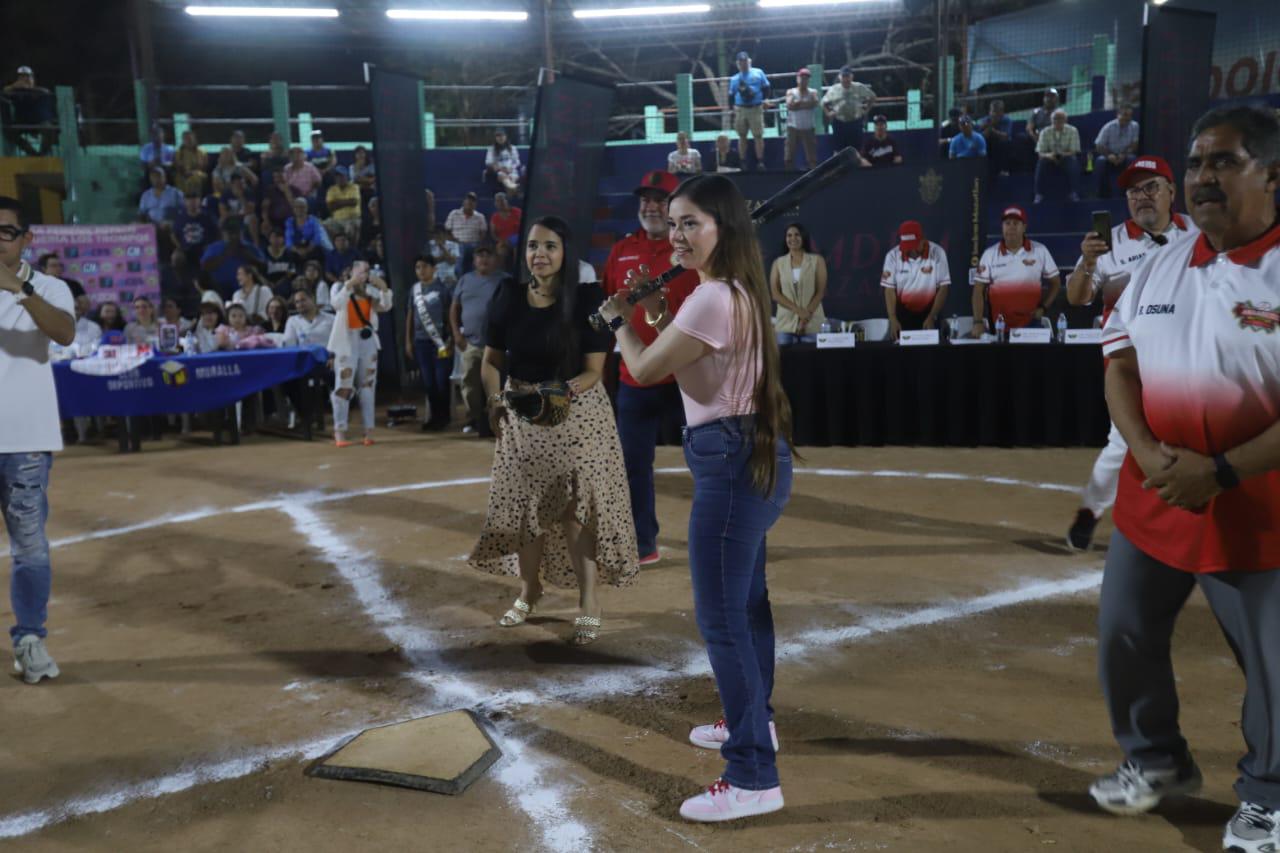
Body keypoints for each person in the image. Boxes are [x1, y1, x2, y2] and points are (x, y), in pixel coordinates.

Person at [1090, 105, 1280, 852]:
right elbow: (1120, 365)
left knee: (1271, 666)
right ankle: (1157, 758)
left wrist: (1224, 469)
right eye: (1196, 162)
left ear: (1272, 175)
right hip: (1161, 495)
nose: (1201, 176)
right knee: (1124, 635)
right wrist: (1142, 449)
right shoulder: (1160, 265)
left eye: (1222, 162)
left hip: (1262, 505)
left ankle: (1267, 797)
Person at [596, 174, 795, 823]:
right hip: (751, 455)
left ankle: (752, 775)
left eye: (690, 224)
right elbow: (700, 368)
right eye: (673, 223)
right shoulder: (732, 290)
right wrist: (654, 317)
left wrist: (617, 322)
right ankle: (755, 725)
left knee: (721, 619)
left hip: (730, 465)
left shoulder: (710, 297)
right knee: (747, 606)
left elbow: (646, 369)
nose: (677, 234)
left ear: (722, 229)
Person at [470, 215, 637, 645]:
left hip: (576, 413)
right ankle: (530, 591)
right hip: (521, 413)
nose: (538, 255)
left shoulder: (585, 299)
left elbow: (594, 371)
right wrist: (494, 399)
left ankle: (589, 600)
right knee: (526, 504)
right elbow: (491, 361)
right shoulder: (507, 294)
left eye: (549, 246)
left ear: (565, 254)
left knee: (575, 506)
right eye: (532, 246)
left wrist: (556, 393)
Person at [1063, 156, 1198, 551]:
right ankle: (1091, 509)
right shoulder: (1109, 244)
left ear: (1172, 191)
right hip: (1131, 362)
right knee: (1124, 441)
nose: (1142, 197)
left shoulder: (1196, 232)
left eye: (1151, 187)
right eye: (1133, 191)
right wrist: (1088, 263)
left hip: (1189, 357)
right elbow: (1077, 297)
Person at [602, 169, 703, 565]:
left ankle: (720, 538)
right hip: (636, 376)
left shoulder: (691, 252)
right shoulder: (621, 250)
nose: (651, 206)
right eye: (646, 199)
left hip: (686, 376)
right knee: (632, 466)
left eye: (659, 200)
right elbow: (612, 304)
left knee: (708, 460)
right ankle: (643, 543)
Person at [0, 195, 75, 684]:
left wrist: (18, 288)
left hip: (24, 440)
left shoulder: (48, 286)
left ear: (27, 238)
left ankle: (30, 638)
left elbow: (64, 332)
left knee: (29, 547)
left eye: (6, 231)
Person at [328, 260, 392, 447]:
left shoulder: (370, 292)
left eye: (366, 271)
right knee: (344, 386)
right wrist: (350, 284)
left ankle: (368, 431)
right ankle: (340, 431)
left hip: (367, 342)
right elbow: (336, 304)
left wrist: (384, 288)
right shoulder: (339, 288)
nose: (363, 274)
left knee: (367, 386)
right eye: (360, 270)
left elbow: (385, 307)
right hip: (346, 343)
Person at [971, 206, 1060, 335]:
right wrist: (978, 322)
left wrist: (1043, 308)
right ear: (1002, 227)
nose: (1011, 227)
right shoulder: (989, 254)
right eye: (1007, 223)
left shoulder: (1040, 250)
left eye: (1016, 223)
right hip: (999, 326)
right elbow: (978, 290)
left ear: (1024, 227)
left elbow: (1056, 282)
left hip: (1031, 325)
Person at [449, 242, 508, 436]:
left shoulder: (505, 281)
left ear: (495, 259)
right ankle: (475, 418)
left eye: (488, 255)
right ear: (474, 260)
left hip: (497, 345)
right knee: (470, 386)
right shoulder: (465, 280)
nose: (484, 259)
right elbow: (454, 309)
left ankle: (498, 420)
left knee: (498, 386)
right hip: (471, 344)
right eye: (479, 255)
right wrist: (457, 334)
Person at [405, 254, 453, 431]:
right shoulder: (414, 290)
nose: (421, 270)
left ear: (434, 268)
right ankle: (435, 417)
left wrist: (452, 339)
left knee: (441, 381)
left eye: (425, 266)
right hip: (421, 342)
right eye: (418, 267)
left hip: (440, 342)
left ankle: (444, 416)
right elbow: (410, 316)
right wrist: (408, 342)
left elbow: (449, 315)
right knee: (429, 382)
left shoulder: (443, 289)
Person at [881, 220, 951, 340]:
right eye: (907, 246)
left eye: (913, 245)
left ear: (922, 239)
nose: (911, 250)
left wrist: (932, 316)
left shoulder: (938, 252)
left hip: (931, 312)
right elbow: (889, 290)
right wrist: (893, 319)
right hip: (903, 313)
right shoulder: (892, 256)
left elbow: (943, 288)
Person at [769, 223, 827, 345]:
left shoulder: (817, 260)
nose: (793, 238)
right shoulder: (778, 263)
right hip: (785, 324)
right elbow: (775, 294)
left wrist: (804, 318)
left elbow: (820, 292)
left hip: (812, 323)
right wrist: (798, 311)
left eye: (797, 235)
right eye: (789, 235)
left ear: (803, 237)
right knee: (785, 363)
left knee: (812, 363)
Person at [200, 218, 266, 300]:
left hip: (245, 289)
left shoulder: (249, 247)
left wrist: (249, 257)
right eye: (230, 232)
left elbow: (264, 267)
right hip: (220, 288)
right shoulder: (215, 247)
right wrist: (225, 254)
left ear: (241, 232)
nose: (233, 236)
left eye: (236, 232)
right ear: (223, 233)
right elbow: (204, 267)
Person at [728, 51, 771, 170]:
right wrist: (733, 108)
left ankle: (760, 161)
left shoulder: (758, 73)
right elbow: (731, 95)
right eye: (741, 62)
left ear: (749, 61)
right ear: (738, 64)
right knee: (742, 136)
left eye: (745, 61)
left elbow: (766, 87)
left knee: (758, 135)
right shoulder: (734, 79)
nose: (743, 64)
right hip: (741, 109)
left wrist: (766, 99)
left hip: (756, 107)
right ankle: (742, 162)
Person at [821, 66, 875, 154]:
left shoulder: (859, 87)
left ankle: (857, 166)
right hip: (839, 123)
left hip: (855, 122)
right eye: (844, 77)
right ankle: (839, 166)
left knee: (857, 149)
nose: (846, 79)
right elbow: (823, 102)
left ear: (852, 77)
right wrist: (828, 113)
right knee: (838, 149)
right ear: (840, 77)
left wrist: (866, 110)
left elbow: (872, 97)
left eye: (848, 76)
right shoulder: (834, 89)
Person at [1035, 108, 1082, 203]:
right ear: (1051, 120)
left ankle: (1074, 192)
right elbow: (1040, 152)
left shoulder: (1073, 130)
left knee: (1073, 160)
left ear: (1065, 120)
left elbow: (1074, 151)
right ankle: (1038, 194)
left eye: (1060, 118)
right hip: (1050, 157)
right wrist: (1049, 156)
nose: (1057, 121)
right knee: (1041, 161)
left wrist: (1061, 155)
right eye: (1055, 119)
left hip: (1066, 156)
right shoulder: (1045, 131)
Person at [1094, 105, 1140, 198]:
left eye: (1129, 115)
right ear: (1118, 115)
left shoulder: (1135, 126)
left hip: (1125, 155)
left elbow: (1135, 144)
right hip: (1110, 155)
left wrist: (1123, 155)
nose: (1127, 118)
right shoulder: (1108, 127)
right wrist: (1109, 155)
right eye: (1125, 115)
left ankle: (1130, 190)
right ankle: (1102, 193)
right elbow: (1098, 145)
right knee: (1100, 161)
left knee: (1132, 159)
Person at [783, 69, 819, 172]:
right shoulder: (791, 91)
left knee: (812, 155)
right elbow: (790, 106)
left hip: (809, 127)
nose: (804, 80)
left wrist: (798, 103)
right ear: (797, 79)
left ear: (809, 80)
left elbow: (814, 103)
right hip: (793, 127)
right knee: (789, 153)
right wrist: (806, 104)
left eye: (806, 78)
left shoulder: (813, 92)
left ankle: (813, 172)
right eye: (802, 78)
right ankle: (788, 173)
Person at [445, 192, 487, 279]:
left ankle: (471, 280)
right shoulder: (453, 213)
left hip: (474, 244)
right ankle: (460, 279)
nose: (470, 203)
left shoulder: (480, 216)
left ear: (475, 204)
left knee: (475, 252)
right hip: (456, 243)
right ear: (463, 202)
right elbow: (447, 231)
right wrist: (454, 241)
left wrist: (479, 243)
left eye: (472, 202)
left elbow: (483, 234)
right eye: (468, 201)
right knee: (460, 249)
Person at [285, 196, 333, 266]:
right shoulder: (289, 222)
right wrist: (298, 251)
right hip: (298, 248)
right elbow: (288, 241)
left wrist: (306, 250)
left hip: (312, 248)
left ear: (307, 208)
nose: (299, 209)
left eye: (302, 207)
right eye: (297, 207)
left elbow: (318, 239)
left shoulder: (314, 220)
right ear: (294, 209)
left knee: (319, 251)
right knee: (288, 253)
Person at [323, 166, 361, 244]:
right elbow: (330, 207)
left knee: (350, 228)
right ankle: (335, 248)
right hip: (336, 219)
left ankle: (351, 250)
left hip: (351, 218)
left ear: (346, 176)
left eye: (341, 176)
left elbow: (353, 202)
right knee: (325, 225)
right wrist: (346, 202)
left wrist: (336, 202)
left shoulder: (353, 187)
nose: (339, 178)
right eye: (337, 176)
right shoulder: (331, 189)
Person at [979, 99, 1013, 175]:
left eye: (996, 111)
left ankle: (1004, 170)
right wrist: (987, 127)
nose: (993, 113)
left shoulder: (1006, 120)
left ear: (1001, 112)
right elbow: (980, 138)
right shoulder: (985, 120)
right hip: (989, 143)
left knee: (1003, 144)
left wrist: (993, 131)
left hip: (1001, 143)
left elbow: (1006, 136)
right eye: (992, 111)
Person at [484, 128, 522, 193]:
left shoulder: (513, 148)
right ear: (495, 138)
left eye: (502, 135)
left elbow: (517, 162)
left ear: (506, 136)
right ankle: (514, 188)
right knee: (502, 176)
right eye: (498, 136)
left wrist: (511, 168)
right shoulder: (491, 149)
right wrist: (499, 168)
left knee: (512, 179)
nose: (500, 138)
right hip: (499, 171)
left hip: (511, 170)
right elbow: (488, 162)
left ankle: (512, 189)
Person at [262, 228, 300, 293]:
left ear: (283, 239)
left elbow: (291, 272)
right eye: (274, 237)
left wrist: (278, 284)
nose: (276, 239)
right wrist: (266, 282)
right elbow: (258, 271)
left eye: (279, 237)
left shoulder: (289, 253)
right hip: (266, 282)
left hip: (284, 282)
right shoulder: (263, 253)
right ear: (269, 239)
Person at [173, 130, 207, 195]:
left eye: (190, 139)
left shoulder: (201, 152)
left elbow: (203, 167)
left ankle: (195, 198)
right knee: (179, 179)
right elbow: (177, 166)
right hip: (182, 174)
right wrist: (184, 172)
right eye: (186, 139)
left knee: (194, 179)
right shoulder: (178, 152)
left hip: (197, 173)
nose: (188, 141)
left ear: (194, 139)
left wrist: (192, 172)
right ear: (183, 140)